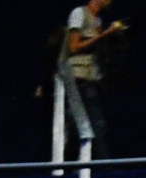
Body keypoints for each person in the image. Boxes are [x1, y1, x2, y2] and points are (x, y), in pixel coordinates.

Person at [56, 0, 123, 160]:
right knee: (95, 122)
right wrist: (104, 35)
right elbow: (74, 47)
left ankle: (65, 167)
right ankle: (106, 167)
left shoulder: (97, 21)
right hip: (78, 77)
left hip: (91, 77)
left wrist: (112, 36)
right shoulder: (79, 14)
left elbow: (100, 47)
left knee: (78, 126)